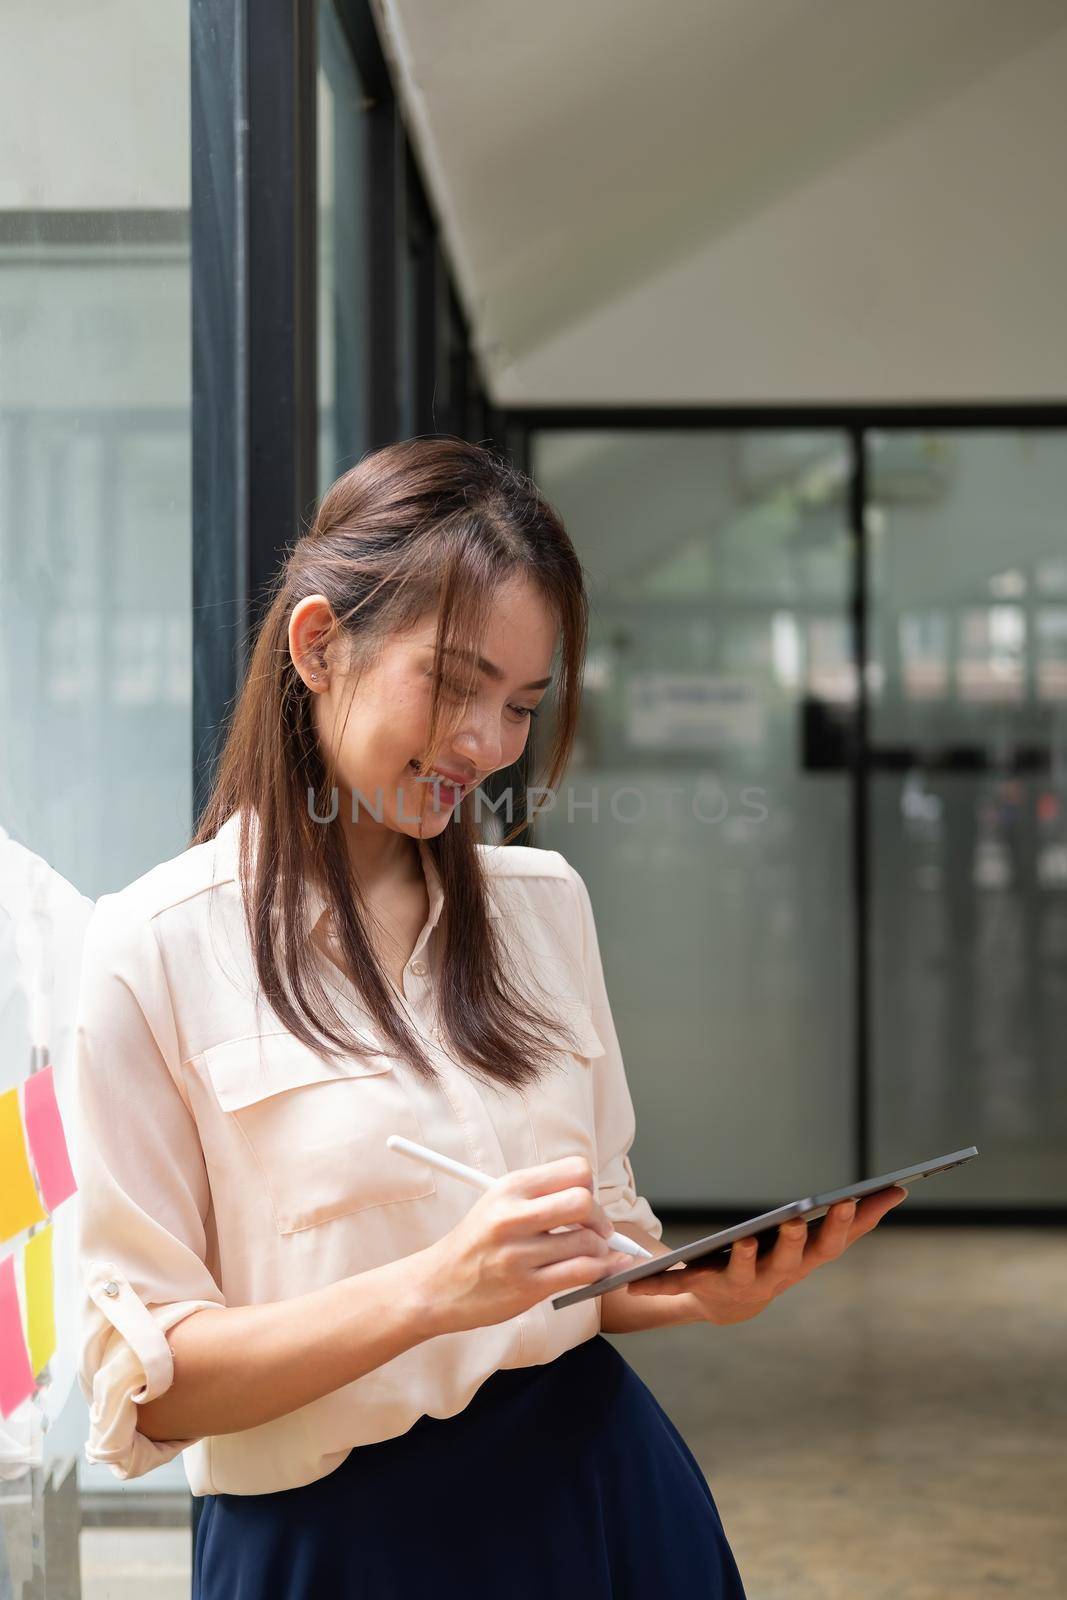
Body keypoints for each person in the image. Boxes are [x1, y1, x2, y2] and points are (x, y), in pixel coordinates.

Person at [73, 437, 903, 1598]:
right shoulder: (150, 949)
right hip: (335, 1542)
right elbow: (154, 1389)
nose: (488, 743)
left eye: (519, 702)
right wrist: (430, 1288)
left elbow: (587, 1258)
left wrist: (686, 1286)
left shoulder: (540, 906)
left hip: (602, 1494)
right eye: (453, 683)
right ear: (319, 644)